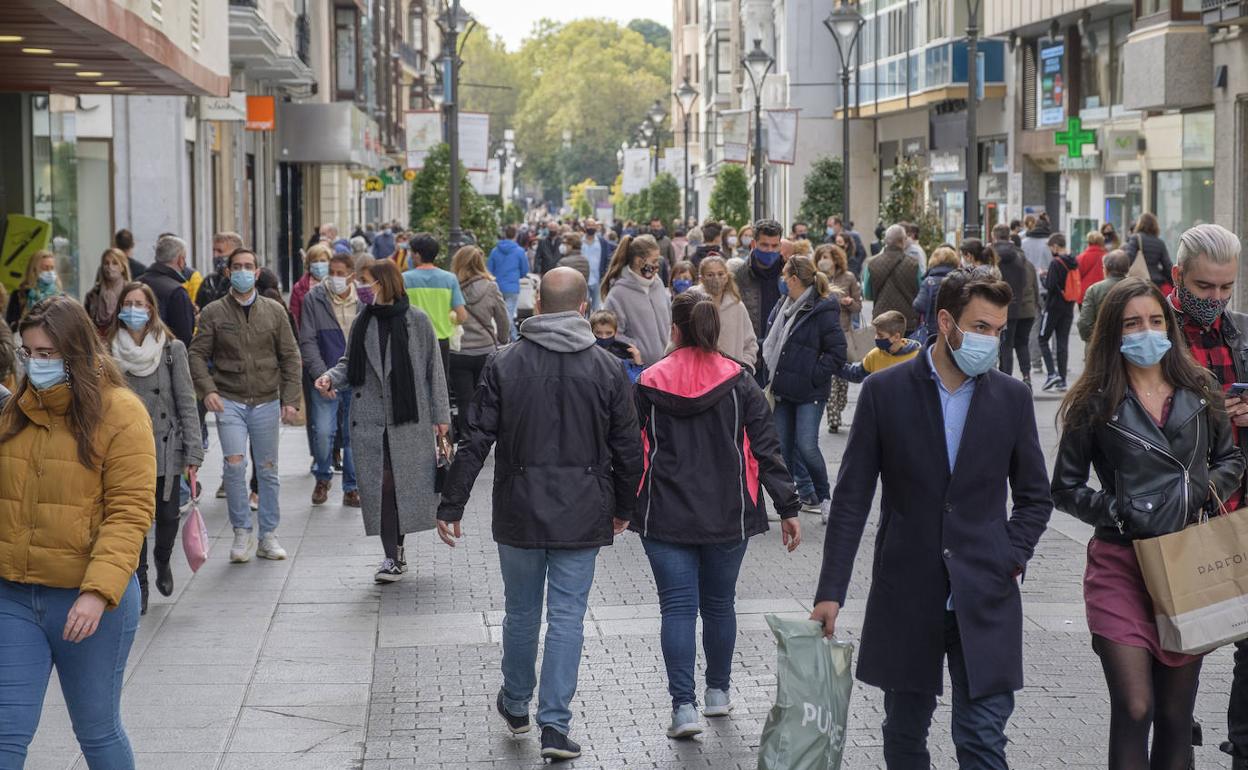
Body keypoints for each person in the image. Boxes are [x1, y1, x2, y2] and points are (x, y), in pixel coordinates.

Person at [811, 269, 1052, 769]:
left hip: (984, 593)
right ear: (945, 322)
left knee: (982, 739)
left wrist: (1010, 554)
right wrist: (830, 591)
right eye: (980, 327)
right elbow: (852, 500)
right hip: (907, 592)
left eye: (998, 330)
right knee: (904, 733)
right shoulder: (885, 391)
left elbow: (1035, 498)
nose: (991, 340)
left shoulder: (1011, 397)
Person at [435, 267, 642, 761]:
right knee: (568, 617)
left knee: (522, 611)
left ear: (539, 306)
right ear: (584, 308)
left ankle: (515, 701)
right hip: (583, 506)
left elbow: (476, 438)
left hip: (520, 505)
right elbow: (628, 446)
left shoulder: (504, 362)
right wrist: (625, 506)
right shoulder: (608, 367)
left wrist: (452, 502)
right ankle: (555, 724)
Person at [1051, 276, 1244, 770]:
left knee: (1175, 716)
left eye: (1156, 320)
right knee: (1135, 707)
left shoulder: (1199, 388)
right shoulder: (1094, 400)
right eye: (1133, 323)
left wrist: (1194, 494)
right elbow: (1065, 488)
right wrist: (1120, 511)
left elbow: (1230, 460)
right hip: (1120, 564)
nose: (1147, 331)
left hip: (1184, 564)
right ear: (1113, 333)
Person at [633, 291, 801, 738]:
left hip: (663, 511)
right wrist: (788, 506)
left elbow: (630, 450)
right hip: (729, 510)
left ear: (675, 329)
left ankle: (683, 708)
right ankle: (717, 693)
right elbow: (766, 448)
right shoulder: (741, 381)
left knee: (677, 608)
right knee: (720, 604)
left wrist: (618, 506)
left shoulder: (648, 381)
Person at [0, 296, 156, 767]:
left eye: (47, 353)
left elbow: (129, 512)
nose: (36, 363)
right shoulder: (16, 411)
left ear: (77, 352)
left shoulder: (121, 413)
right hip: (14, 596)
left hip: (90, 600)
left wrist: (97, 592)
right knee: (5, 733)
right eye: (29, 352)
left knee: (97, 729)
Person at [1150, 224, 1248, 766]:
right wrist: (1204, 417)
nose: (1216, 298)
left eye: (1226, 287)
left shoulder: (1240, 333)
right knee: (1179, 660)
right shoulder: (1151, 332)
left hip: (1238, 510)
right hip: (1181, 517)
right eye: (1204, 287)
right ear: (1178, 276)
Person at [316, 259, 450, 583]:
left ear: (383, 282)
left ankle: (396, 551)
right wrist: (330, 377)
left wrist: (441, 416)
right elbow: (349, 363)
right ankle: (392, 555)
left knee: (400, 485)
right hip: (370, 419)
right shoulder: (363, 321)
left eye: (365, 280)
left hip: (408, 418)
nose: (360, 287)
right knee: (383, 487)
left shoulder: (417, 320)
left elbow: (434, 369)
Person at [188, 247, 302, 564]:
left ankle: (268, 535)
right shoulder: (214, 312)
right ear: (228, 272)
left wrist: (291, 399)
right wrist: (207, 390)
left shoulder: (274, 311)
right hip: (229, 399)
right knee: (234, 466)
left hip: (266, 399)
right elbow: (196, 354)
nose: (242, 271)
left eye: (248, 266)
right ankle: (241, 531)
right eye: (237, 266)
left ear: (257, 272)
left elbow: (290, 356)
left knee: (268, 470)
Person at [108, 281, 202, 613]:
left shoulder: (171, 349)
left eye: (140, 304)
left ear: (151, 309)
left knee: (166, 516)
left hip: (166, 445)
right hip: (126, 448)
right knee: (134, 518)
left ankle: (163, 558)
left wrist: (193, 451)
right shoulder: (108, 351)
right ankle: (142, 582)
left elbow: (186, 401)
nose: (134, 309)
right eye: (128, 303)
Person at [762, 255, 847, 523]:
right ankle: (787, 503)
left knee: (807, 447)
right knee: (782, 450)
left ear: (794, 279)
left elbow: (837, 352)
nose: (782, 280)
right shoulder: (783, 304)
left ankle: (824, 498)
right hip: (783, 389)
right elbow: (774, 342)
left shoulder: (822, 308)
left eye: (784, 275)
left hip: (809, 392)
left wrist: (813, 375)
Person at [299, 250, 362, 508]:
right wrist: (322, 375)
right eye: (331, 272)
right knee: (324, 432)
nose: (334, 278)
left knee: (352, 435)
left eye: (340, 274)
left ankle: (352, 487)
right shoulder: (314, 298)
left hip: (356, 379)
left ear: (352, 276)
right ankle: (323, 476)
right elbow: (307, 340)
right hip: (325, 377)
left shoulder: (365, 299)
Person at [448, 245, 509, 439]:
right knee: (486, 398)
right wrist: (503, 339)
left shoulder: (452, 286)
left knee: (464, 400)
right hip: (485, 350)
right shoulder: (491, 287)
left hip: (459, 351)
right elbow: (502, 317)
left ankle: (467, 438)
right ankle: (484, 436)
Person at [403, 233, 468, 380]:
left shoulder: (405, 279)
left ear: (417, 255)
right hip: (441, 340)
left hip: (413, 339)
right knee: (439, 383)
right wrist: (449, 320)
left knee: (415, 383)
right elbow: (462, 316)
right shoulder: (450, 279)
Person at [600, 234, 672, 366]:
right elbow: (613, 333)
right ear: (639, 261)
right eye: (654, 261)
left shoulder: (658, 284)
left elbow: (669, 319)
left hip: (667, 365)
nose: (657, 265)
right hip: (640, 368)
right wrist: (639, 349)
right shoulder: (618, 294)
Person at [815, 243, 861, 433]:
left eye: (826, 257)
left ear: (835, 259)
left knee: (842, 380)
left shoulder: (848, 277)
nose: (823, 261)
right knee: (831, 380)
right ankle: (833, 418)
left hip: (843, 332)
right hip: (823, 335)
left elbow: (858, 306)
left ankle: (839, 406)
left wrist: (849, 303)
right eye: (820, 257)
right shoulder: (817, 278)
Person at [733, 219, 786, 382]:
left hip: (782, 356)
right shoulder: (739, 276)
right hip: (751, 356)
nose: (770, 250)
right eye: (764, 245)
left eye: (774, 246)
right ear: (754, 244)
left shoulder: (789, 275)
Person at [992, 223, 1041, 386]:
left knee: (1005, 346)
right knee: (1021, 343)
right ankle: (1026, 376)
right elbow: (1032, 286)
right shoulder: (1022, 259)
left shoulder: (994, 256)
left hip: (1004, 308)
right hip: (1024, 309)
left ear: (994, 235)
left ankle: (1005, 380)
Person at [698, 255, 757, 369]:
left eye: (720, 274)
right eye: (710, 275)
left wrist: (745, 366)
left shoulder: (737, 306)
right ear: (702, 278)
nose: (716, 279)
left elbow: (750, 343)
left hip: (731, 375)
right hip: (700, 374)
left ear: (727, 277)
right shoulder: (692, 305)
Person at [863, 224, 921, 337]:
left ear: (885, 241)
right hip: (907, 320)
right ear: (903, 241)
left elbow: (867, 294)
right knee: (907, 348)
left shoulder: (871, 264)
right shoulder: (914, 264)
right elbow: (920, 291)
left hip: (881, 320)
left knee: (882, 348)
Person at [138, 235, 196, 347]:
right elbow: (184, 337)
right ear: (181, 260)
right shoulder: (177, 292)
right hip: (166, 353)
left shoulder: (136, 283)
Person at [1039, 233, 1078, 392]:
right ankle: (1062, 380)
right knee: (1062, 343)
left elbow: (1050, 285)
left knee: (1042, 339)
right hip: (1068, 307)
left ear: (1055, 246)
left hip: (1053, 307)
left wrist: (1042, 277)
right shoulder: (1073, 262)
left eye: (1051, 248)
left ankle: (1051, 373)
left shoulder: (1056, 263)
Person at [840, 309, 922, 383]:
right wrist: (835, 363)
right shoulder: (874, 355)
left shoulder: (916, 357)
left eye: (881, 335)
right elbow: (856, 374)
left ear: (896, 337)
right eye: (876, 334)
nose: (876, 338)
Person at [1078, 249, 1130, 343]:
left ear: (1105, 269)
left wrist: (1096, 341)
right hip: (1127, 344)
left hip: (1099, 345)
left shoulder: (1094, 290)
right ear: (1127, 269)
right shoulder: (1134, 287)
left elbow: (1084, 325)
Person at [6, 250, 63, 330]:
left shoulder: (60, 296)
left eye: (52, 268)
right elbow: (11, 325)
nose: (50, 272)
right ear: (34, 270)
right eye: (45, 268)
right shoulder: (20, 294)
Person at [489, 225, 530, 336]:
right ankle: (512, 337)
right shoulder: (519, 251)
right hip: (512, 286)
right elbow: (524, 270)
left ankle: (504, 335)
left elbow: (490, 270)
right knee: (509, 313)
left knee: (499, 314)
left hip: (497, 286)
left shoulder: (495, 251)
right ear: (515, 235)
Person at [913, 246, 959, 341]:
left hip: (932, 329)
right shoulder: (959, 280)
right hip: (955, 328)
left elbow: (919, 305)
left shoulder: (929, 282)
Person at [83, 248, 131, 336]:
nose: (110, 267)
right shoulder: (93, 294)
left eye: (115, 263)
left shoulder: (130, 292)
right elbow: (86, 324)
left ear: (122, 268)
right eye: (106, 263)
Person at [589, 309, 644, 383]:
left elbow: (633, 382)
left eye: (608, 333)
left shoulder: (622, 354)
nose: (604, 337)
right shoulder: (586, 354)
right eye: (598, 333)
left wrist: (638, 364)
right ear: (591, 332)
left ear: (615, 333)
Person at [1124, 212, 1174, 292]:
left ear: (1140, 224)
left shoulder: (1135, 238)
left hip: (1138, 281)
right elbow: (1167, 265)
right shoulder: (1160, 243)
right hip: (1155, 282)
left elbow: (1128, 258)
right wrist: (1173, 284)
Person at [290, 243, 331, 331]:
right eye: (315, 261)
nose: (319, 264)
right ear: (309, 264)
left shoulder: (336, 285)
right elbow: (294, 318)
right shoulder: (299, 288)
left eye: (323, 261)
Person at [198, 232, 241, 310]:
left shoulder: (245, 282)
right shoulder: (209, 281)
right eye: (214, 251)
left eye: (220, 251)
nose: (215, 255)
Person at [580, 218, 614, 311]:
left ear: (596, 227)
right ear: (584, 227)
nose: (591, 227)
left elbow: (608, 257)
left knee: (596, 306)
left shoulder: (602, 242)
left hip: (597, 279)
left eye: (593, 225)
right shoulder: (580, 241)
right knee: (584, 306)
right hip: (583, 278)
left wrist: (606, 272)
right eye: (589, 225)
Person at [1076, 230, 1108, 303]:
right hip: (1102, 292)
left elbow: (1078, 276)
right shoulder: (1107, 256)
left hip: (1085, 293)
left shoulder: (1081, 257)